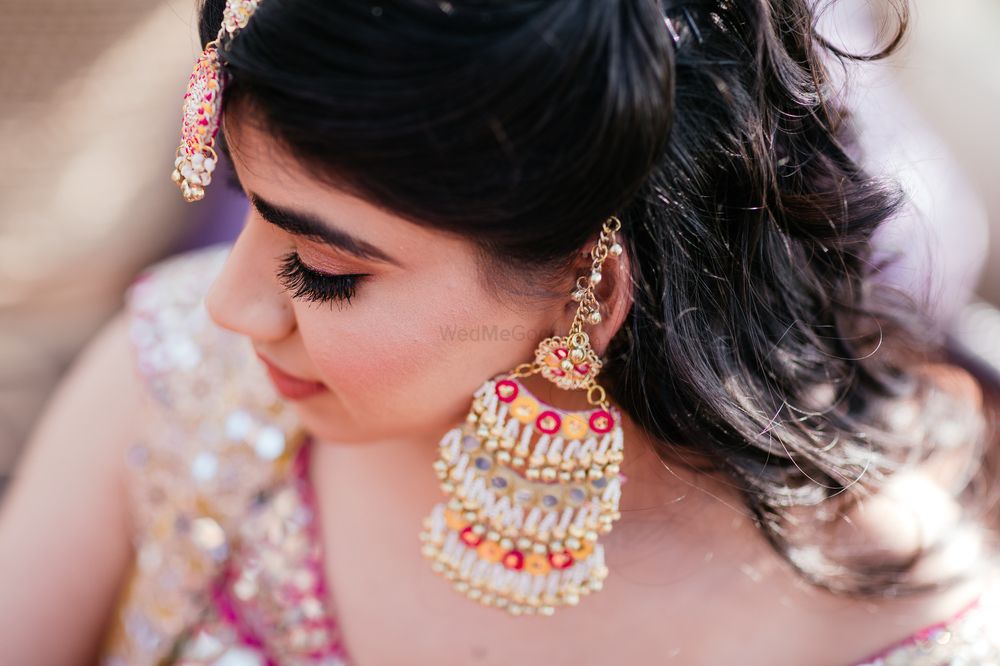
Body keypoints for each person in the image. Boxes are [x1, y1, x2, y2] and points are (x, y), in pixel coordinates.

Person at [0, 0, 998, 664]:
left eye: (327, 270)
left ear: (587, 296)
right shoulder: (186, 377)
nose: (230, 303)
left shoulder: (896, 627)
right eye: (245, 203)